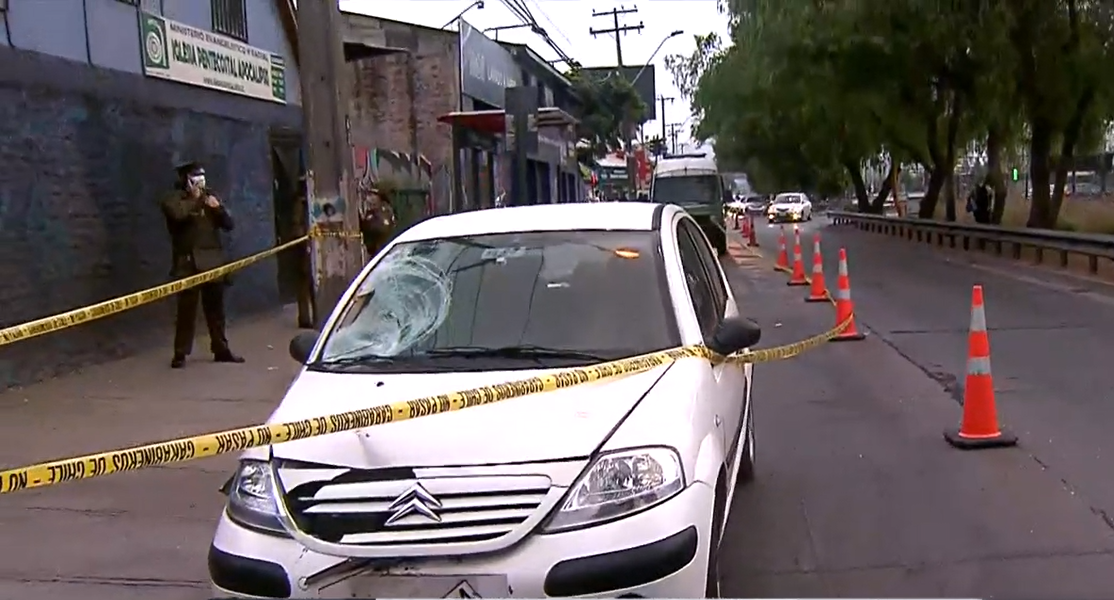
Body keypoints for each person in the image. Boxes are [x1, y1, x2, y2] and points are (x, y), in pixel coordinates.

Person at [161, 161, 245, 368]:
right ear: (185, 180)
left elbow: (228, 225)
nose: (201, 181)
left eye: (202, 176)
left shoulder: (210, 197)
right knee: (186, 311)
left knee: (216, 310)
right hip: (188, 262)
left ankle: (221, 348)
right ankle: (180, 353)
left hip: (213, 260)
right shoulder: (173, 199)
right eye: (195, 177)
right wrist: (196, 199)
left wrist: (219, 209)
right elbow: (178, 215)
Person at [359, 187, 397, 259]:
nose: (369, 198)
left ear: (378, 197)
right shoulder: (374, 210)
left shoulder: (384, 210)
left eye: (372, 195)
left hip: (380, 249)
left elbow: (381, 228)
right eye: (369, 195)